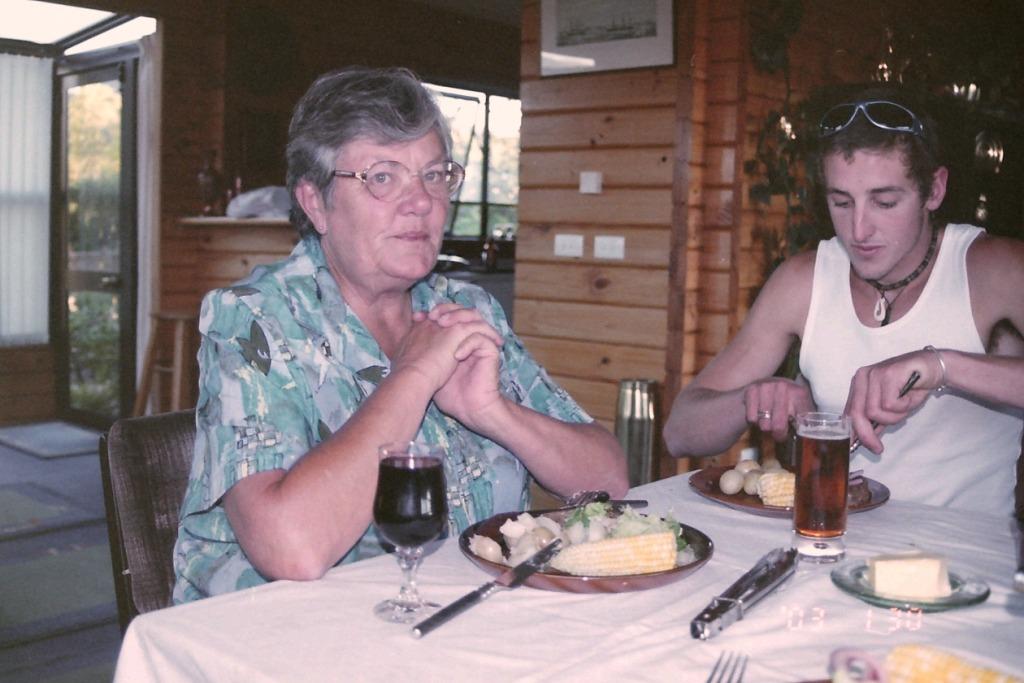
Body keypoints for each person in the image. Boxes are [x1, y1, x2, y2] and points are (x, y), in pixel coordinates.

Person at [173, 67, 627, 602]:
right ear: (316, 203)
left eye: (434, 175)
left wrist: (493, 412)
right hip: (286, 630)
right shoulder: (256, 318)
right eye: (383, 177)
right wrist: (415, 375)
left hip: (465, 615)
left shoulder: (465, 309)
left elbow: (609, 483)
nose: (421, 201)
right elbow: (291, 550)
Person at [663, 87, 1024, 516]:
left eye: (884, 202)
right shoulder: (803, 280)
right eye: (841, 202)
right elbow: (679, 432)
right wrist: (751, 399)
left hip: (965, 549)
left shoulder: (993, 268)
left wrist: (940, 366)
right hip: (834, 538)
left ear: (934, 190)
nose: (859, 229)